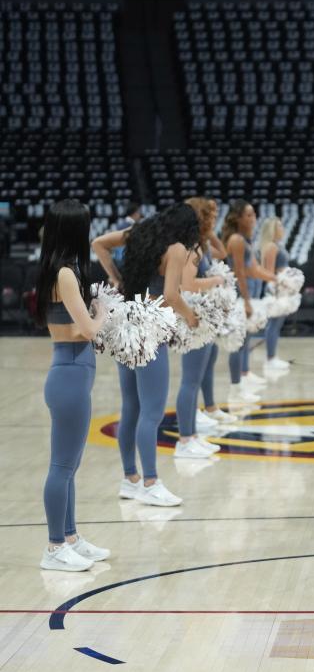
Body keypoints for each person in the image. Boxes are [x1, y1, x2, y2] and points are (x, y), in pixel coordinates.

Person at [92, 204, 201, 507]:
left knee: (131, 407)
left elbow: (97, 244)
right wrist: (191, 317)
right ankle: (151, 482)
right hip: (150, 327)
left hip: (125, 323)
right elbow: (171, 295)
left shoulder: (137, 233)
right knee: (152, 412)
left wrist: (115, 279)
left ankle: (130, 479)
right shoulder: (177, 248)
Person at [36, 200, 111, 571]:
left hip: (74, 373)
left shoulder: (64, 270)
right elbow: (88, 329)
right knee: (61, 466)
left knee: (71, 464)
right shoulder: (65, 274)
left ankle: (70, 537)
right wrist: (104, 311)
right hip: (68, 374)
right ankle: (53, 548)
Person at [172, 198, 229, 459]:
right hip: (193, 317)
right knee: (190, 381)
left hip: (202, 317)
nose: (215, 218)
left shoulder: (200, 244)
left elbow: (222, 253)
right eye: (211, 215)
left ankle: (192, 435)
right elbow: (188, 285)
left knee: (195, 379)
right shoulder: (191, 248)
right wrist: (216, 280)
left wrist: (210, 232)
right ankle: (185, 440)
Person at [222, 199, 276, 402]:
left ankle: (243, 377)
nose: (253, 218)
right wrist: (246, 301)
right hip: (239, 297)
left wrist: (276, 278)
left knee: (245, 341)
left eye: (253, 214)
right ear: (238, 218)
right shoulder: (236, 240)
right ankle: (236, 387)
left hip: (249, 294)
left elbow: (253, 269)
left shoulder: (245, 239)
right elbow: (240, 273)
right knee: (237, 342)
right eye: (249, 215)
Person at [259, 216, 292, 372]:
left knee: (277, 325)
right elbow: (268, 272)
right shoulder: (271, 246)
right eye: (279, 226)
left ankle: (272, 357)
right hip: (276, 288)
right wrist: (281, 282)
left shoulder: (278, 245)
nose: (282, 228)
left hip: (282, 287)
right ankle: (270, 359)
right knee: (273, 324)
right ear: (273, 229)